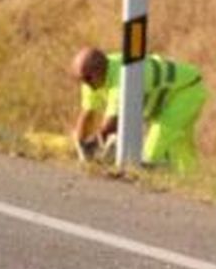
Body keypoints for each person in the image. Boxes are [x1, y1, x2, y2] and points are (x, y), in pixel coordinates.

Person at [68, 46, 208, 174]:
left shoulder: (123, 78)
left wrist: (93, 146)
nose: (84, 84)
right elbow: (87, 114)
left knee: (152, 151)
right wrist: (81, 146)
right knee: (180, 144)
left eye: (87, 79)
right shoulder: (91, 80)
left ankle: (152, 184)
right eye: (80, 80)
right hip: (168, 96)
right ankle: (193, 179)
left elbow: (112, 124)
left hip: (186, 91)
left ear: (99, 70)